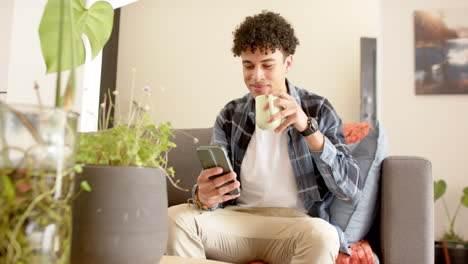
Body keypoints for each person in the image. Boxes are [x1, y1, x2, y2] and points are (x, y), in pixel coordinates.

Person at [166, 10, 361, 264]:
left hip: (296, 225)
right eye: (248, 65)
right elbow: (214, 193)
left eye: (267, 65)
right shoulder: (230, 114)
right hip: (237, 220)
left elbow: (350, 189)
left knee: (324, 235)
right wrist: (204, 197)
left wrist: (307, 128)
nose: (256, 76)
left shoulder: (318, 109)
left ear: (288, 63)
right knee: (175, 219)